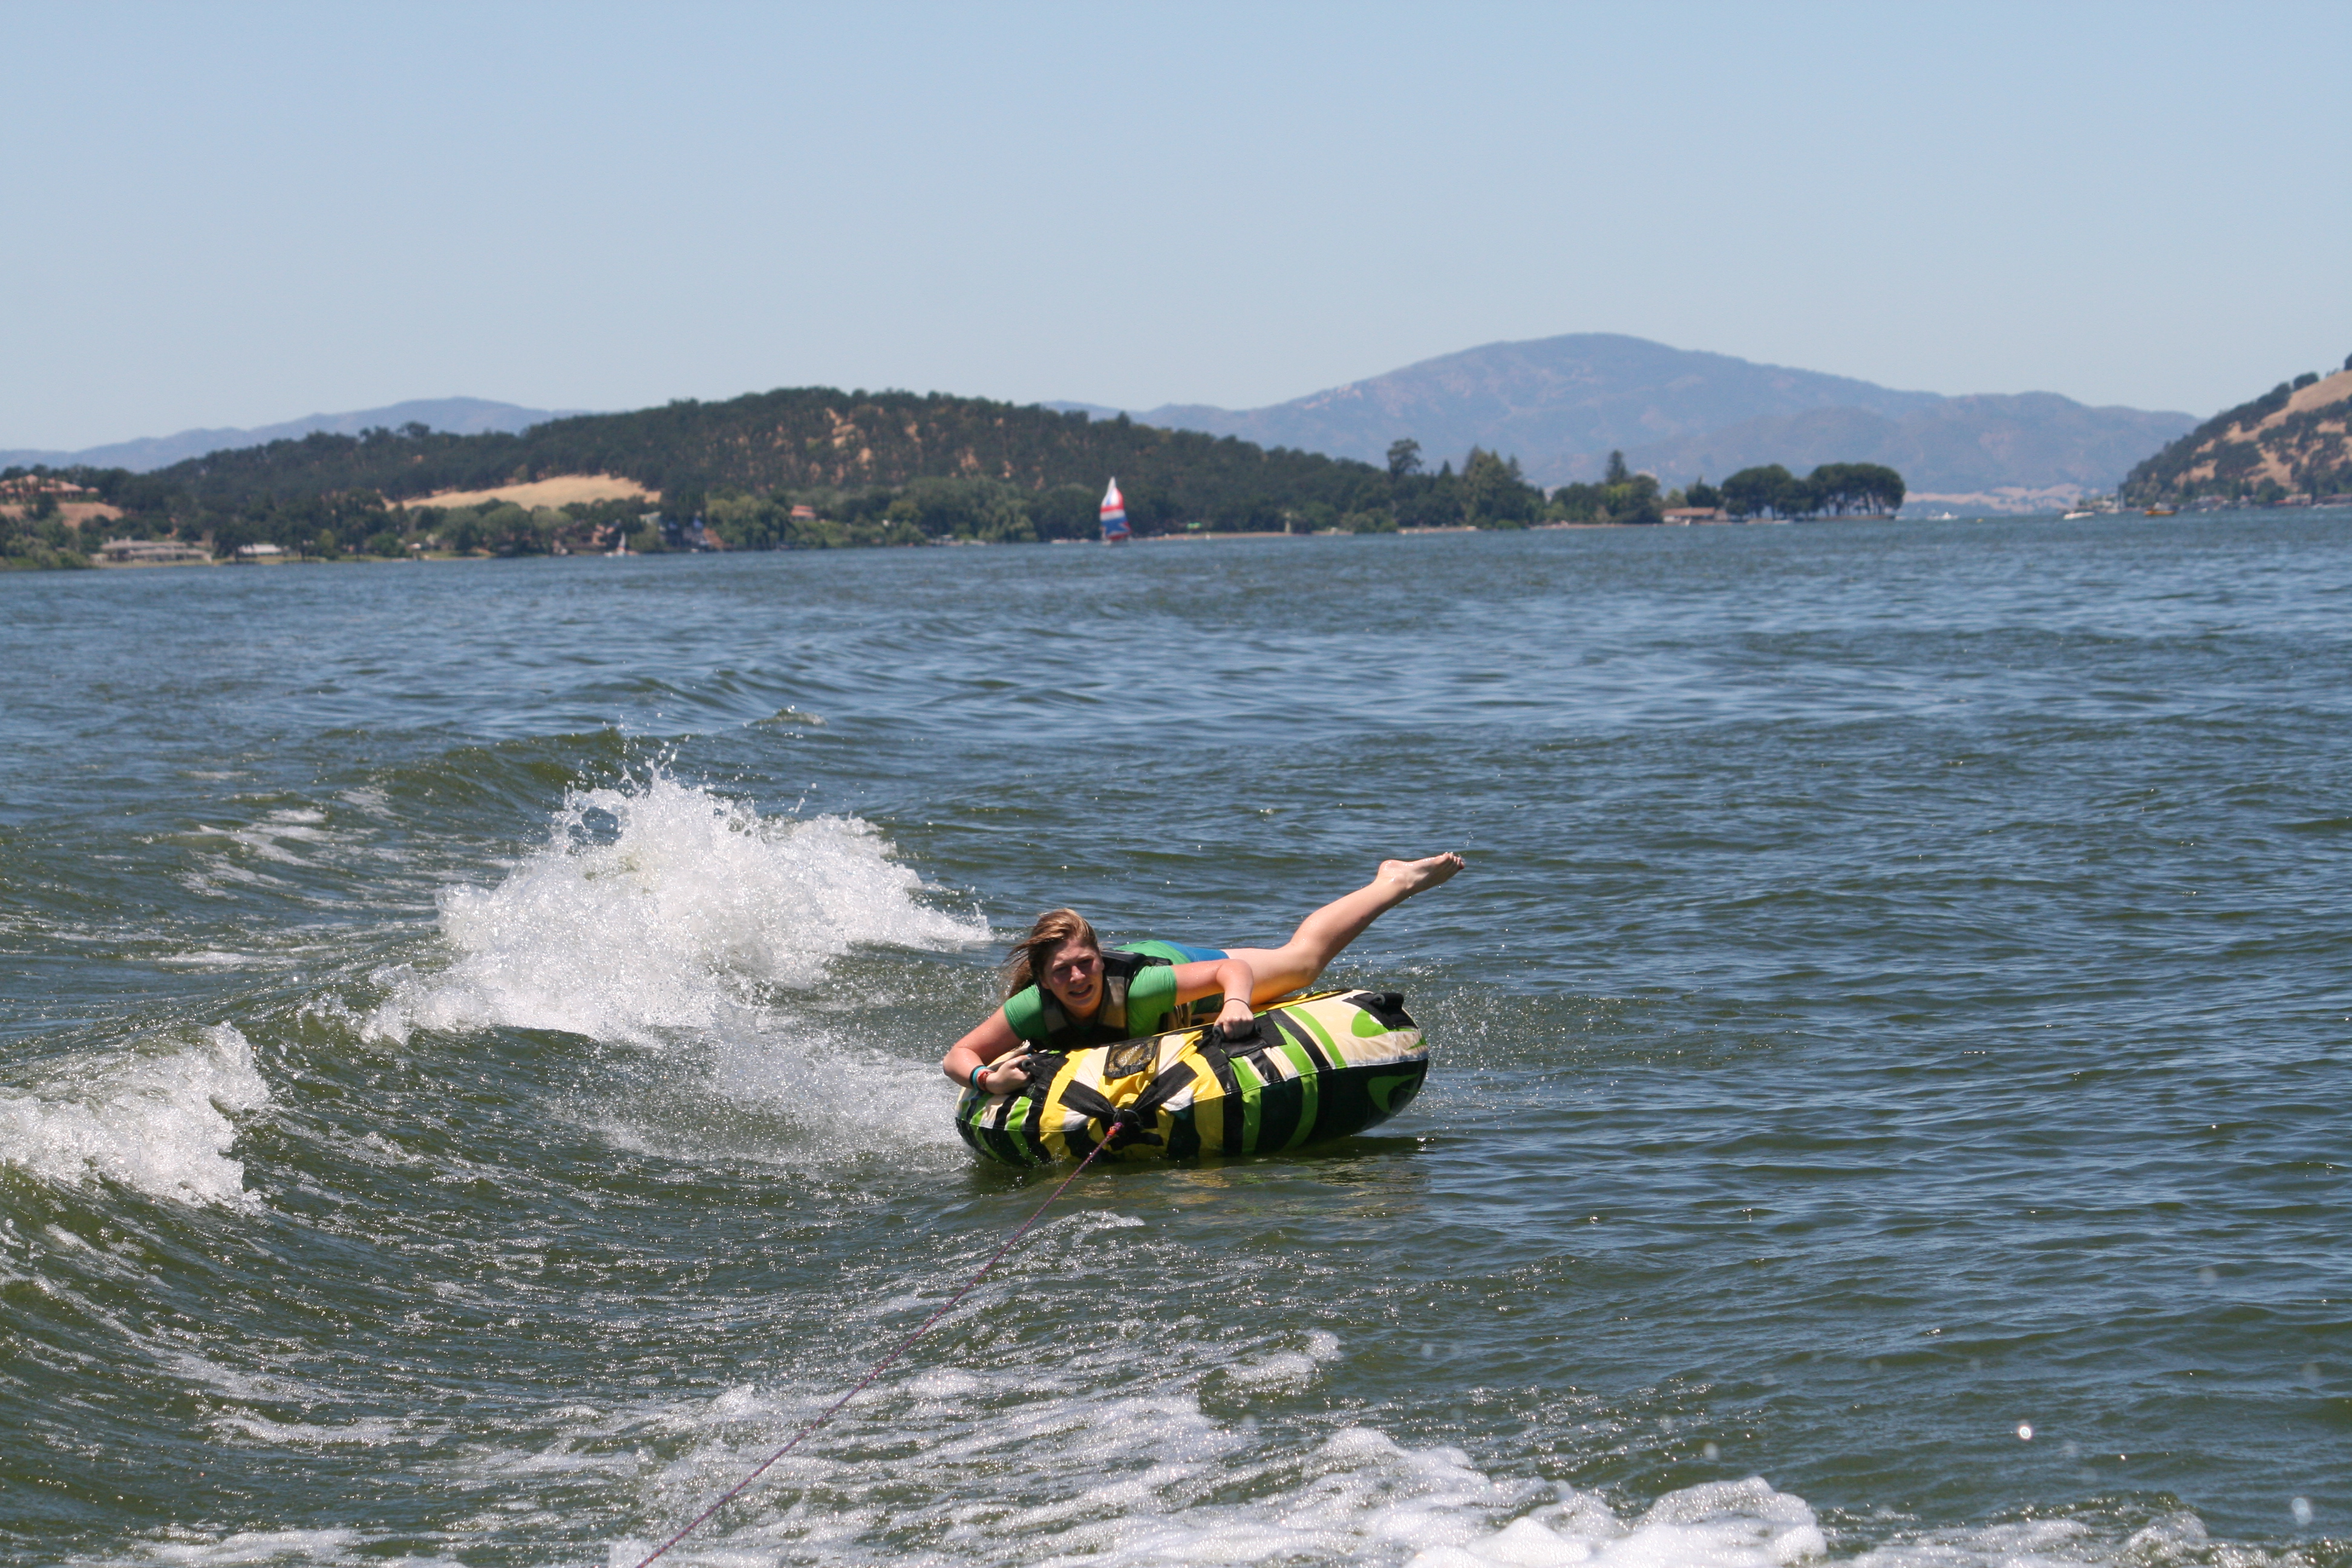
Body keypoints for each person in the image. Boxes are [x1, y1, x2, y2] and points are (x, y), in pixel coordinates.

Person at [941, 854, 1464, 1096]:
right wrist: (988, 1079)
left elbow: (1231, 970)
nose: (1078, 978)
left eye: (1086, 963)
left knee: (1303, 963)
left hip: (1177, 966)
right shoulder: (1034, 1007)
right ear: (1042, 979)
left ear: (1100, 959)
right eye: (1062, 972)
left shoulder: (1143, 989)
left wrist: (1236, 1002)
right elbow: (959, 1055)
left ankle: (1392, 881)